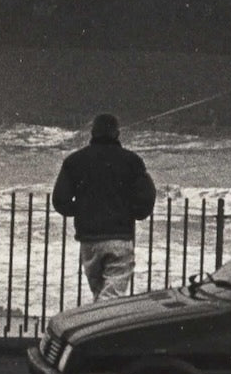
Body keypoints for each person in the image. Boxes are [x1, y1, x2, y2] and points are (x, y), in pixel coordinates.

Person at [52, 113, 156, 301]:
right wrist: (132, 213)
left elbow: (60, 200)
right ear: (117, 133)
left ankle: (95, 318)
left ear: (92, 132)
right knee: (110, 297)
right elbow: (147, 196)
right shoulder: (131, 161)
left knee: (100, 294)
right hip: (119, 237)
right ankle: (95, 319)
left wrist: (82, 210)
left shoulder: (74, 161)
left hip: (89, 240)